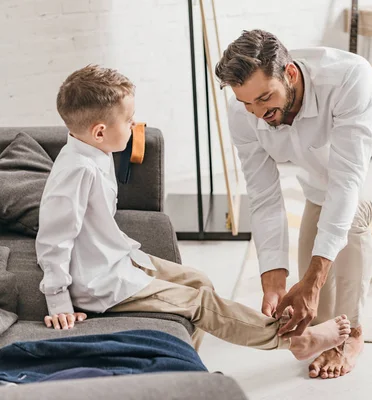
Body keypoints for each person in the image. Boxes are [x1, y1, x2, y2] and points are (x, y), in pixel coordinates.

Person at [34, 64, 352, 364]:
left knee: (199, 281)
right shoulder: (76, 171)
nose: (134, 125)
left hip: (116, 258)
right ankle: (295, 341)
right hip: (99, 283)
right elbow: (53, 238)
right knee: (200, 303)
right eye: (128, 120)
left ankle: (188, 358)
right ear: (100, 131)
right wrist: (58, 297)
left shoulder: (95, 150)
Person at [215, 29, 372, 379]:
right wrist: (274, 280)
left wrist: (313, 280)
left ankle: (353, 336)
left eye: (265, 98)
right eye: (247, 104)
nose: (256, 113)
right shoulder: (246, 111)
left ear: (291, 74)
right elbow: (264, 196)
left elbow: (347, 184)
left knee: (348, 224)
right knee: (316, 314)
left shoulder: (348, 77)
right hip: (325, 183)